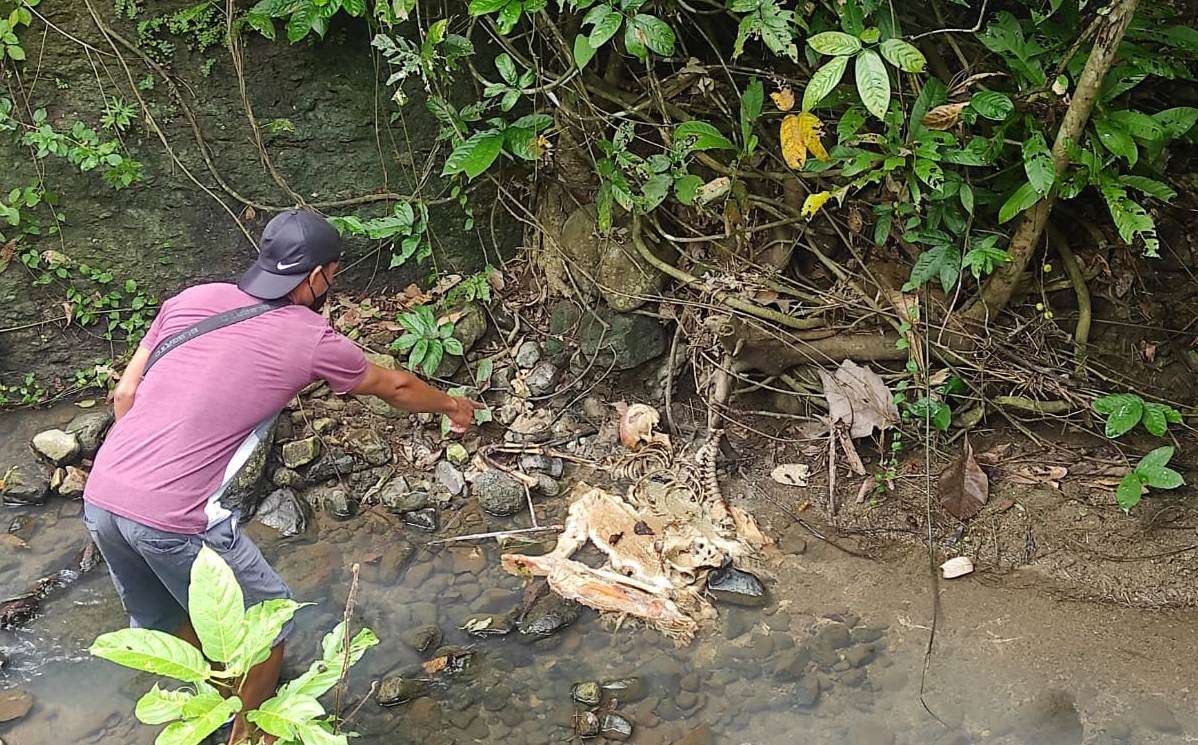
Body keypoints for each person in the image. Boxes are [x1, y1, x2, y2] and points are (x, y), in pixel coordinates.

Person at [82, 209, 482, 744]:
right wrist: (453, 405)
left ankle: (215, 704)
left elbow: (125, 395)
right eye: (333, 275)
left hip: (103, 494)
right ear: (316, 276)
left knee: (165, 623)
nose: (331, 285)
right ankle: (251, 734)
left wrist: (143, 469)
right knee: (268, 626)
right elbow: (397, 387)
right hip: (177, 517)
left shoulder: (193, 300)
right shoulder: (309, 335)